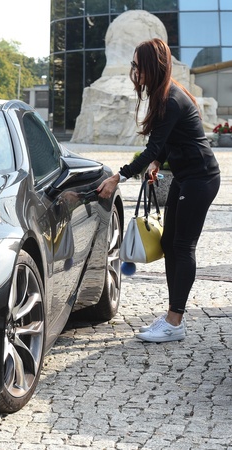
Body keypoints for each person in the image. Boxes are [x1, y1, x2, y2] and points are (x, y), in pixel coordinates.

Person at [96, 38, 220, 343]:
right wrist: (156, 163)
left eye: (138, 65)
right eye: (133, 65)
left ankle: (174, 321)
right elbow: (165, 144)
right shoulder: (163, 95)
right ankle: (172, 316)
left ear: (153, 66)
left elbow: (153, 146)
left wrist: (118, 177)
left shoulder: (171, 99)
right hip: (186, 177)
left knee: (183, 246)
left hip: (201, 178)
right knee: (168, 243)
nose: (134, 71)